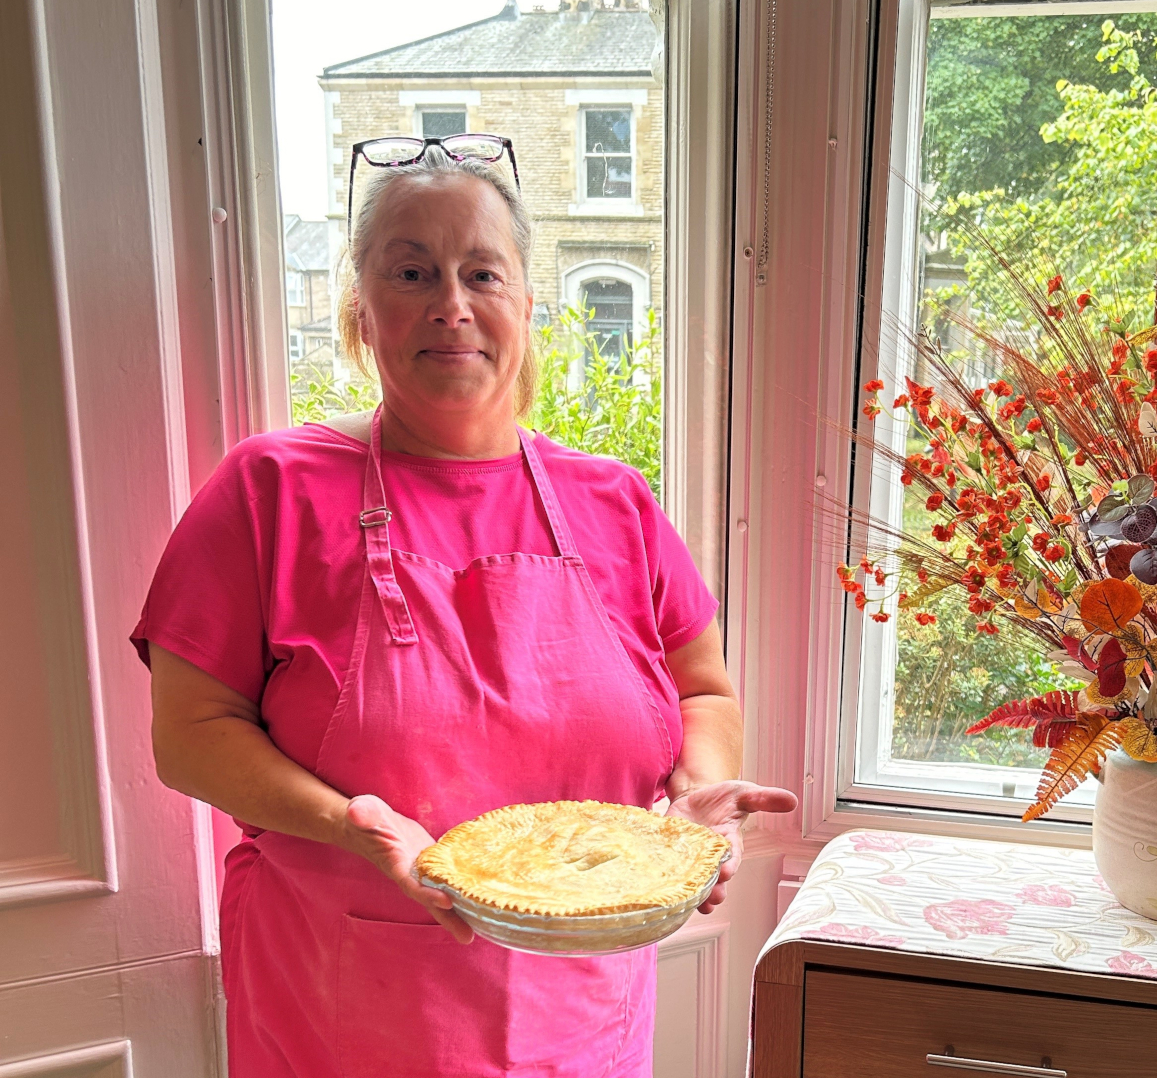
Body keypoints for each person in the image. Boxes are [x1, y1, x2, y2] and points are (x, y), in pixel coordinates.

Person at [135, 134, 796, 1077]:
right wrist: (348, 823)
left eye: (481, 272)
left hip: (582, 1013)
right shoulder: (267, 490)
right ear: (361, 315)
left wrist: (689, 798)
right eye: (412, 272)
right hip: (341, 1012)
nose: (451, 306)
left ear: (528, 306)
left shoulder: (616, 502)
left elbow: (704, 691)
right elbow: (190, 733)